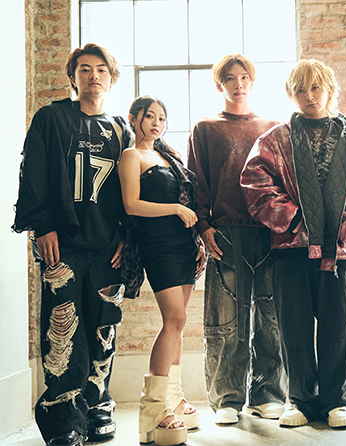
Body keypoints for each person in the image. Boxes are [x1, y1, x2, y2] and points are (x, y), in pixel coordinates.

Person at [241, 58, 346, 429]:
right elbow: (255, 185)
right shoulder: (275, 140)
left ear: (329, 89)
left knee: (339, 328)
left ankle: (338, 402)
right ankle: (301, 400)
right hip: (291, 248)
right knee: (294, 327)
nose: (309, 95)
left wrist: (343, 226)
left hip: (338, 250)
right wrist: (297, 222)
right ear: (292, 94)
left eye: (315, 87)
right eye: (301, 89)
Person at [12, 43, 131, 446]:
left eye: (101, 69)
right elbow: (33, 171)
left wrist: (126, 236)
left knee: (103, 328)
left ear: (111, 78)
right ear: (73, 77)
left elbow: (131, 188)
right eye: (84, 69)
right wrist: (43, 226)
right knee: (62, 333)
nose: (93, 75)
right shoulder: (51, 117)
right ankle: (63, 419)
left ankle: (98, 407)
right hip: (62, 245)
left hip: (108, 249)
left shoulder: (121, 129)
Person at [187, 54, 288, 425]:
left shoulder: (273, 128)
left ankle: (268, 394)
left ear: (252, 81)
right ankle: (227, 399)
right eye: (230, 78)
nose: (238, 84)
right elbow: (196, 181)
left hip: (269, 231)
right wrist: (203, 227)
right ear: (220, 84)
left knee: (270, 317)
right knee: (225, 320)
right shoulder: (205, 129)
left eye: (244, 77)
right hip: (225, 232)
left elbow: (285, 180)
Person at [119, 96, 205, 445]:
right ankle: (153, 410)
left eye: (162, 117)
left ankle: (174, 397)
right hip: (158, 246)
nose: (157, 123)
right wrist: (175, 209)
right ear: (133, 119)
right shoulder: (132, 156)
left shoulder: (168, 156)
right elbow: (131, 205)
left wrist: (197, 241)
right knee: (174, 319)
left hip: (183, 245)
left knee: (179, 323)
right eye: (149, 116)